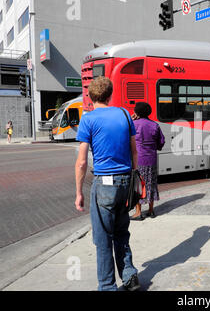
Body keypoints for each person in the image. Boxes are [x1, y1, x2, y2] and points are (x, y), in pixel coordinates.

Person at [74, 76, 140, 291]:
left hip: (104, 183)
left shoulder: (88, 119)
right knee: (122, 232)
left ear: (91, 97)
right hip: (125, 181)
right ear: (110, 95)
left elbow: (82, 161)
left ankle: (107, 286)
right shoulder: (124, 114)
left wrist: (79, 192)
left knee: (103, 239)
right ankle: (129, 275)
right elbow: (134, 150)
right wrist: (135, 176)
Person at [130, 102, 165, 221]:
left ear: (136, 112)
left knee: (138, 186)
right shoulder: (154, 125)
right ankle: (151, 210)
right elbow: (161, 142)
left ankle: (138, 212)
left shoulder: (133, 124)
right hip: (151, 160)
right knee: (151, 183)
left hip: (137, 160)